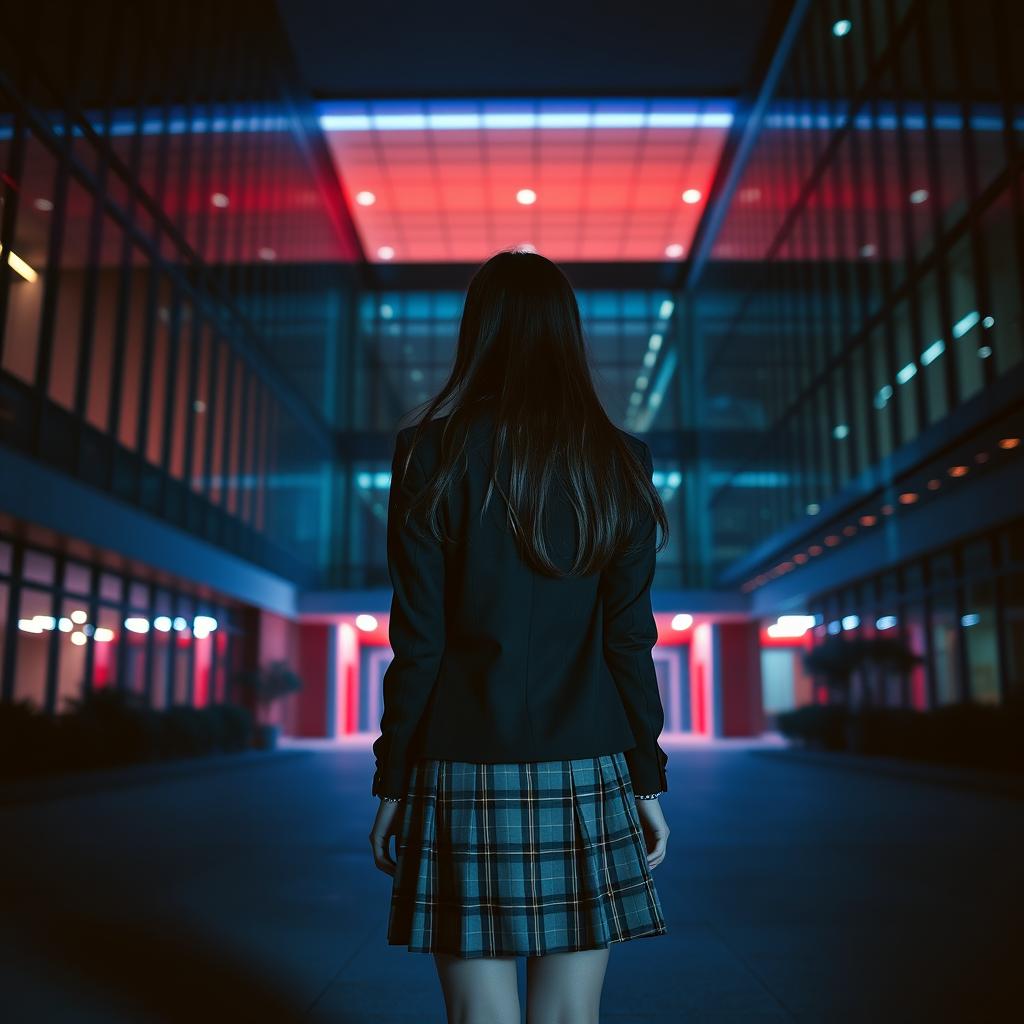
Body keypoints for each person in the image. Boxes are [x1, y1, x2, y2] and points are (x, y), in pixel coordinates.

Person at [368, 248, 671, 1024]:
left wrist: (394, 777)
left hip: (462, 761)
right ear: (567, 337)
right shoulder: (620, 461)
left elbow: (420, 640)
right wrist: (645, 776)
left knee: (479, 1014)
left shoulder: (429, 453)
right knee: (571, 1014)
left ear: (478, 333)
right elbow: (628, 640)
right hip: (589, 758)